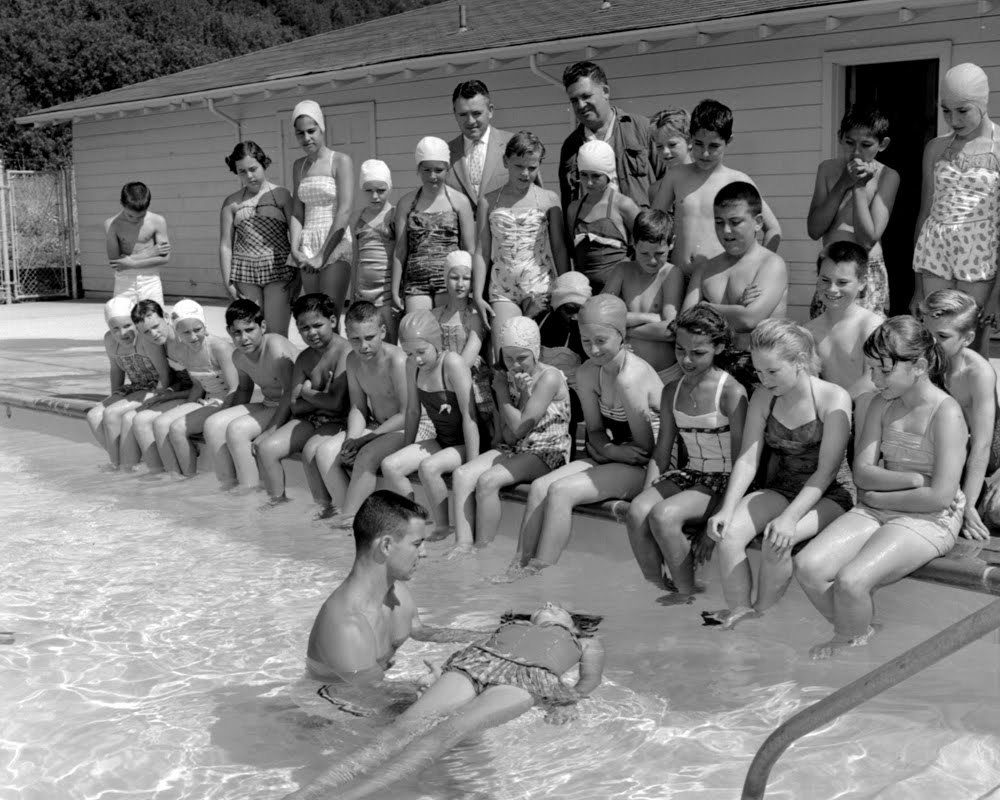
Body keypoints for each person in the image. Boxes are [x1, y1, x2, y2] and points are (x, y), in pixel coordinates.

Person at [290, 602, 604, 800]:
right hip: (477, 664)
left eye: (559, 607)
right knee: (404, 726)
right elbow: (453, 636)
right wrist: (418, 636)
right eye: (547, 604)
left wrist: (565, 701)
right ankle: (307, 793)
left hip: (529, 678)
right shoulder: (508, 628)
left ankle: (353, 796)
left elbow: (588, 681)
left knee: (449, 732)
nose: (550, 604)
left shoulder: (586, 642)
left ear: (573, 624)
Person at [795, 317, 968, 658]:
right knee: (807, 568)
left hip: (930, 519)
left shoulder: (946, 414)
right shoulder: (880, 403)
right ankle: (859, 631)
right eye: (871, 369)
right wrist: (914, 480)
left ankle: (849, 647)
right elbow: (862, 474)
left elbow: (941, 498)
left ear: (919, 366)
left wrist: (882, 492)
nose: (874, 379)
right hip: (880, 506)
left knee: (851, 581)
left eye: (883, 371)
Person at [704, 319, 854, 629]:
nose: (764, 379)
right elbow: (748, 459)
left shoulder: (833, 398)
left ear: (799, 362)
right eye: (758, 371)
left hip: (830, 493)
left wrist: (789, 519)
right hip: (783, 487)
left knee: (777, 539)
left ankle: (762, 616)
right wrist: (727, 508)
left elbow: (826, 471)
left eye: (772, 371)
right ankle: (741, 612)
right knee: (729, 533)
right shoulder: (763, 395)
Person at [503, 295, 662, 580]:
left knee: (561, 492)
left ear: (621, 334)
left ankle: (539, 573)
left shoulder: (630, 377)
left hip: (649, 465)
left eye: (601, 340)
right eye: (586, 341)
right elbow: (595, 433)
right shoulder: (588, 372)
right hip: (615, 453)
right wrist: (607, 450)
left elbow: (646, 448)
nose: (593, 349)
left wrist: (605, 450)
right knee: (540, 488)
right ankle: (518, 563)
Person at [625, 305, 747, 603]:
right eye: (680, 350)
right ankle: (657, 585)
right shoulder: (672, 391)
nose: (686, 360)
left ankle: (686, 593)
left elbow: (742, 460)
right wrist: (647, 493)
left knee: (664, 516)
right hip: (692, 474)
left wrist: (719, 517)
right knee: (638, 511)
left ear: (718, 347)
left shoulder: (731, 393)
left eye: (698, 353)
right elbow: (663, 449)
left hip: (725, 480)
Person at [304, 491, 491, 685]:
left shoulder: (397, 593)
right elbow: (366, 703)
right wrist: (442, 687)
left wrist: (487, 637)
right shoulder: (347, 626)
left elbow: (419, 631)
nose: (424, 553)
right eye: (417, 544)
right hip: (329, 708)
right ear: (386, 545)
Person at [451, 316, 573, 556]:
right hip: (519, 448)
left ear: (536, 352)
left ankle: (482, 549)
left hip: (549, 452)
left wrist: (503, 394)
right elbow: (508, 437)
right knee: (462, 474)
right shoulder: (511, 379)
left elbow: (520, 429)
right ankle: (462, 545)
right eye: (508, 358)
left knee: (488, 481)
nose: (515, 365)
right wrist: (517, 395)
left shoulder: (549, 377)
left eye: (522, 358)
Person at [912, 63, 1000, 355]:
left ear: (982, 104)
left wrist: (998, 296)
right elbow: (925, 212)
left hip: (979, 254)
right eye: (945, 110)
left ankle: (978, 402)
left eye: (963, 110)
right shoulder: (936, 148)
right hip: (935, 252)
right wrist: (915, 285)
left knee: (971, 344)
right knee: (935, 340)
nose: (953, 119)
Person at [380, 311, 486, 539]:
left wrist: (473, 464)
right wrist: (406, 448)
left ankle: (443, 527)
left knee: (428, 468)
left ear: (436, 343)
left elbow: (470, 417)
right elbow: (412, 410)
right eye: (409, 352)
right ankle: (416, 520)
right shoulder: (412, 365)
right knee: (390, 465)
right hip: (442, 440)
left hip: (465, 442)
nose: (416, 358)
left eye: (421, 352)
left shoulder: (452, 364)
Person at [653, 99, 782, 277]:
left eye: (714, 146)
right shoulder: (676, 176)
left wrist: (758, 271)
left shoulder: (737, 180)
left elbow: (773, 229)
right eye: (699, 144)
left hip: (719, 279)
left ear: (728, 141)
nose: (705, 153)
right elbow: (654, 224)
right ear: (690, 139)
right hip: (679, 277)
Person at [316, 302, 415, 529]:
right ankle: (346, 511)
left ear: (382, 331)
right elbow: (358, 407)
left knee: (367, 455)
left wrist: (365, 440)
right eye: (355, 339)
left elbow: (406, 413)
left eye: (370, 337)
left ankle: (350, 519)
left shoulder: (397, 361)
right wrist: (351, 440)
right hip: (377, 426)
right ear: (347, 336)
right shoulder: (352, 360)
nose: (364, 346)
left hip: (406, 427)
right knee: (326, 453)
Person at [682, 181, 788, 391]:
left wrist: (704, 307)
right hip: (713, 369)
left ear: (758, 222)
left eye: (735, 222)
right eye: (719, 222)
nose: (726, 230)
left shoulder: (771, 264)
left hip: (761, 370)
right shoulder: (706, 268)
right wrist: (736, 310)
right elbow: (685, 320)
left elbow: (749, 320)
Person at [254, 294, 351, 509]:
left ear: (333, 321)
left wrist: (307, 393)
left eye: (318, 325)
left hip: (340, 421)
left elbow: (338, 404)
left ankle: (326, 507)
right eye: (304, 328)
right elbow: (295, 405)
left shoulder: (345, 352)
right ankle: (277, 501)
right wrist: (319, 397)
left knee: (310, 452)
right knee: (266, 449)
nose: (312, 333)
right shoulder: (305, 358)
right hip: (310, 418)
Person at [473, 131, 569, 343]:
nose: (525, 173)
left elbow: (559, 247)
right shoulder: (488, 202)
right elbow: (481, 250)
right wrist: (477, 295)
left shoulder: (549, 199)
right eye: (519, 166)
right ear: (506, 161)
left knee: (537, 349)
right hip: (502, 290)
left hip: (540, 286)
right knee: (507, 345)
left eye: (532, 168)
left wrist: (565, 288)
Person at [806, 105, 899, 317]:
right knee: (826, 336)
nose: (856, 152)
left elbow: (868, 240)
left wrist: (858, 186)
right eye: (849, 143)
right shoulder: (827, 169)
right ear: (840, 137)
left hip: (865, 269)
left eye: (866, 145)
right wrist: (843, 183)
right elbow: (814, 229)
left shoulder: (887, 176)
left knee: (864, 338)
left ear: (882, 144)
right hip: (830, 266)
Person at [919, 290, 997, 540]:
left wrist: (968, 504)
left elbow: (982, 446)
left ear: (967, 338)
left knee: (994, 512)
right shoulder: (922, 361)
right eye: (926, 333)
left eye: (942, 336)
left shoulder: (977, 374)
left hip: (985, 451)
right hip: (947, 449)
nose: (930, 342)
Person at [200, 299, 299, 491]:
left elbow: (290, 392)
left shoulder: (275, 347)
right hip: (269, 404)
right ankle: (227, 485)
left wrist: (270, 431)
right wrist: (224, 412)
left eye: (249, 330)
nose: (244, 338)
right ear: (229, 331)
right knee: (213, 424)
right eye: (237, 332)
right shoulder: (239, 357)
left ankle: (249, 490)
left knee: (237, 430)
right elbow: (244, 391)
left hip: (293, 407)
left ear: (262, 326)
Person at [558, 60, 664, 212]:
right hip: (591, 233)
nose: (581, 105)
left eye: (586, 96)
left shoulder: (642, 129)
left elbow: (668, 183)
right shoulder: (571, 147)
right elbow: (568, 203)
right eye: (574, 100)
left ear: (606, 91)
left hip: (641, 232)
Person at [219, 141, 297, 337]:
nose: (249, 176)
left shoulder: (281, 195)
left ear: (263, 164)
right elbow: (226, 245)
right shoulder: (232, 202)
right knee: (252, 333)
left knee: (277, 334)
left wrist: (298, 274)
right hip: (245, 272)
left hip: (278, 270)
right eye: (242, 171)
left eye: (253, 169)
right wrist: (228, 281)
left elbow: (296, 235)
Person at [153, 300, 240, 477]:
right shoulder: (183, 351)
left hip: (227, 402)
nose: (193, 337)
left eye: (197, 330)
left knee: (178, 429)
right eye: (186, 332)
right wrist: (183, 407)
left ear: (204, 326)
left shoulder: (219, 347)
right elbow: (198, 386)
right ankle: (175, 475)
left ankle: (188, 478)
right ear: (177, 332)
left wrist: (221, 414)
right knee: (161, 424)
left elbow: (236, 388)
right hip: (206, 400)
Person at [392, 136, 476, 314]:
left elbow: (469, 248)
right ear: (418, 169)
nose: (432, 176)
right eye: (426, 170)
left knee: (448, 334)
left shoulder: (460, 202)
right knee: (418, 334)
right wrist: (394, 288)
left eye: (438, 170)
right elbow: (400, 250)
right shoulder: (407, 203)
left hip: (450, 282)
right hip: (416, 282)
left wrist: (471, 284)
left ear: (447, 169)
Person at [86, 296, 170, 469]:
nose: (122, 333)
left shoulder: (146, 339)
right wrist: (114, 397)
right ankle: (119, 461)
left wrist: (161, 397)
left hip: (155, 387)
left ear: (135, 323)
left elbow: (165, 374)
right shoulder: (110, 340)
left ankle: (125, 466)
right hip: (135, 387)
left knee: (112, 415)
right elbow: (116, 370)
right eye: (114, 328)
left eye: (127, 326)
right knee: (93, 416)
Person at [601, 209, 685, 383]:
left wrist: (625, 330)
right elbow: (602, 317)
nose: (652, 261)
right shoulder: (622, 271)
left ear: (671, 243)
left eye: (659, 254)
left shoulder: (670, 274)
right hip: (626, 375)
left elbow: (670, 331)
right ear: (633, 242)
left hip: (664, 374)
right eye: (644, 254)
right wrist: (648, 317)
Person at [290, 100, 355, 319]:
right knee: (313, 317)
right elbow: (297, 212)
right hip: (307, 243)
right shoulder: (298, 166)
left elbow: (344, 211)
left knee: (330, 316)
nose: (306, 138)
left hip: (333, 244)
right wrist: (295, 249)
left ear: (322, 128)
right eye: (300, 133)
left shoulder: (340, 161)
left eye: (311, 130)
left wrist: (321, 255)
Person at [445, 80, 538, 211]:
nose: (470, 121)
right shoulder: (444, 153)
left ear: (490, 111)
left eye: (476, 113)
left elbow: (538, 199)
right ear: (455, 114)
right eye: (463, 114)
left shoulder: (515, 145)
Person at [805, 242, 883, 399]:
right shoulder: (809, 330)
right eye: (825, 280)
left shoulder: (871, 326)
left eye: (842, 282)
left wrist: (838, 405)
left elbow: (873, 380)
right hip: (827, 413)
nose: (832, 289)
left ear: (862, 282)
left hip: (862, 412)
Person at [567, 139, 641, 293]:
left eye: (596, 176)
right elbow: (572, 252)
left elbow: (644, 247)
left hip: (619, 291)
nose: (589, 183)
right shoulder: (574, 209)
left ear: (609, 175)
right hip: (584, 292)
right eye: (584, 175)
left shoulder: (623, 205)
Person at [432, 251, 495, 430]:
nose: (460, 284)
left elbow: (472, 349)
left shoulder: (475, 314)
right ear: (445, 278)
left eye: (466, 278)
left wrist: (450, 379)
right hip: (441, 375)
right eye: (454, 277)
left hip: (470, 376)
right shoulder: (436, 314)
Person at [538, 270, 592, 444]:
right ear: (556, 304)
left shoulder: (583, 330)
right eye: (569, 310)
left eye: (581, 310)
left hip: (572, 396)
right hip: (540, 391)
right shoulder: (540, 321)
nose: (575, 316)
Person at [351, 159, 398, 341]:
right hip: (363, 293)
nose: (375, 196)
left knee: (389, 338)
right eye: (369, 191)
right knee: (368, 338)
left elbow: (399, 255)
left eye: (381, 190)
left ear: (390, 188)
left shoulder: (393, 215)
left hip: (386, 292)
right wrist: (353, 294)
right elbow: (356, 258)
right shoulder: (357, 217)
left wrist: (396, 292)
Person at [104, 182, 171, 306]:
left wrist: (132, 263)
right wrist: (149, 253)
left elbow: (165, 258)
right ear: (122, 204)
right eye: (130, 215)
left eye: (141, 216)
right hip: (124, 281)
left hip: (150, 280)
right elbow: (115, 262)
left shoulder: (158, 221)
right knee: (123, 319)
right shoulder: (112, 224)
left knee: (154, 321)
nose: (135, 220)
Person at [647, 107, 692, 204]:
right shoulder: (656, 190)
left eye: (672, 144)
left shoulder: (708, 181)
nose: (665, 151)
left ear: (690, 141)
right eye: (659, 146)